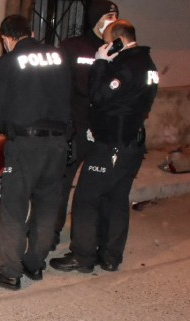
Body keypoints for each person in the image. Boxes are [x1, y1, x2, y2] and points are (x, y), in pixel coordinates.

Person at [50, 20, 159, 273]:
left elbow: (99, 96)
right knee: (116, 200)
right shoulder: (148, 64)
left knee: (86, 198)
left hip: (112, 145)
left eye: (108, 42)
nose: (104, 46)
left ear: (118, 41)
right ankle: (110, 257)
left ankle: (83, 256)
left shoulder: (125, 66)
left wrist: (101, 62)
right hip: (131, 144)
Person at [0, 15, 71, 290]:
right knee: (46, 207)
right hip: (57, 143)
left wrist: (11, 128)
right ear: (31, 32)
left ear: (6, 39)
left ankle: (9, 272)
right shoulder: (59, 57)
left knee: (14, 209)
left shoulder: (7, 64)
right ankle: (34, 264)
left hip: (26, 144)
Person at [54, 0, 119, 248]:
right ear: (96, 18)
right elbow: (61, 86)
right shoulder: (73, 46)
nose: (112, 21)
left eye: (116, 16)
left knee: (94, 190)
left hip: (102, 130)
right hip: (75, 129)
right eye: (108, 15)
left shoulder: (118, 50)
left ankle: (89, 245)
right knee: (61, 184)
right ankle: (51, 234)